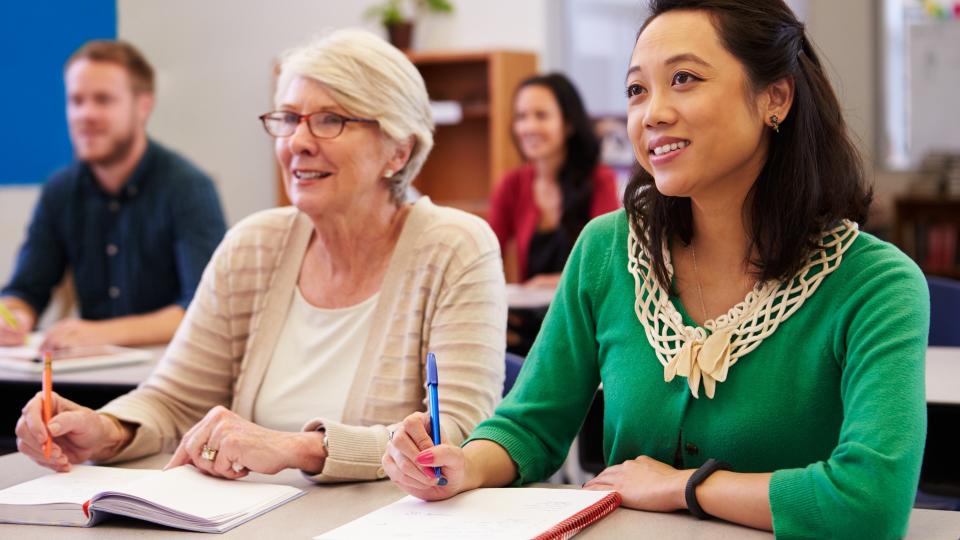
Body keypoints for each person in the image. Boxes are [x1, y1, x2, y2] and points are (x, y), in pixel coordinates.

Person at [383, 1, 928, 538]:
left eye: (685, 78)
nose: (652, 113)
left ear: (775, 98)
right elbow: (528, 425)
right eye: (636, 90)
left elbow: (870, 501)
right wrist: (463, 465)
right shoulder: (607, 248)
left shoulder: (876, 284)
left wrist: (684, 487)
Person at [15, 29, 506, 483]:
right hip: (246, 519)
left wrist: (299, 449)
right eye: (289, 118)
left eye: (330, 120)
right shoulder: (254, 245)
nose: (297, 142)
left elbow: (456, 436)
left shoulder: (455, 247)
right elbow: (174, 398)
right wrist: (107, 429)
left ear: (398, 150)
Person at [0, 40, 226, 350]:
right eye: (76, 101)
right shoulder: (60, 190)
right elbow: (26, 289)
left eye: (103, 100)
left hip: (165, 377)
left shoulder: (188, 188)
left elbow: (203, 310)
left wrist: (101, 332)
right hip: (88, 373)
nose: (85, 114)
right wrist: (14, 316)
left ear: (143, 106)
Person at [487, 73, 619, 288]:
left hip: (586, 313)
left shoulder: (600, 180)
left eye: (541, 116)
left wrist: (554, 283)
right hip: (530, 317)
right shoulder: (511, 184)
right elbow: (487, 254)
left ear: (568, 124)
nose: (528, 127)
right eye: (521, 117)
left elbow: (609, 261)